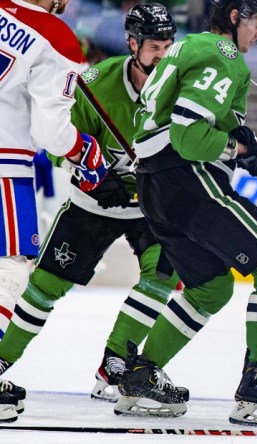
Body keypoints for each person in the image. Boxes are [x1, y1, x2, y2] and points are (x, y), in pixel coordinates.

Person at [120, 0, 257, 426]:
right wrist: (239, 149)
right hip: (185, 178)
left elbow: (178, 120)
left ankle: (141, 375)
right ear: (236, 16)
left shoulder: (189, 47)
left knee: (210, 289)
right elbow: (188, 137)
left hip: (155, 186)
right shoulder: (222, 55)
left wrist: (236, 144)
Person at [0, 3, 179, 407]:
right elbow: (61, 143)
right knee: (43, 286)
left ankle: (116, 365)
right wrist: (92, 178)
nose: (163, 55)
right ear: (132, 43)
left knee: (165, 272)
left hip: (148, 207)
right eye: (154, 46)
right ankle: (1, 359)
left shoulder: (179, 84)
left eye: (169, 45)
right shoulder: (95, 81)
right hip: (92, 201)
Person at [0, 0, 110, 423]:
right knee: (9, 269)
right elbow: (50, 130)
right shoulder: (53, 32)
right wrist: (85, 149)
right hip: (4, 164)